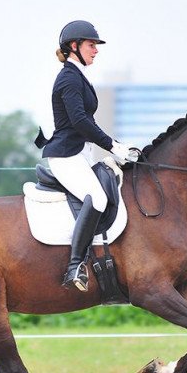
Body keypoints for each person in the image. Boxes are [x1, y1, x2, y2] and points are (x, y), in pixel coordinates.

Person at [36, 20, 139, 292]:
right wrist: (112, 145)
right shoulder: (69, 78)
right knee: (99, 198)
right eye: (91, 45)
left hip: (82, 154)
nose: (96, 50)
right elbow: (80, 121)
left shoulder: (78, 75)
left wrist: (115, 148)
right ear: (74, 46)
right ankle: (74, 266)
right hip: (66, 156)